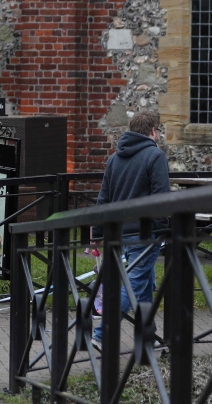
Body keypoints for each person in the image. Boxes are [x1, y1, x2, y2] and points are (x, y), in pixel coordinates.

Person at [91, 111, 169, 351]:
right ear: (153, 131)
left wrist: (96, 232)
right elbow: (161, 198)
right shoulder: (155, 156)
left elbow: (104, 199)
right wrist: (163, 228)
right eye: (158, 131)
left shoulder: (114, 158)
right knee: (132, 286)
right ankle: (101, 334)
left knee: (144, 285)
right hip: (144, 234)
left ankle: (147, 338)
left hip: (118, 234)